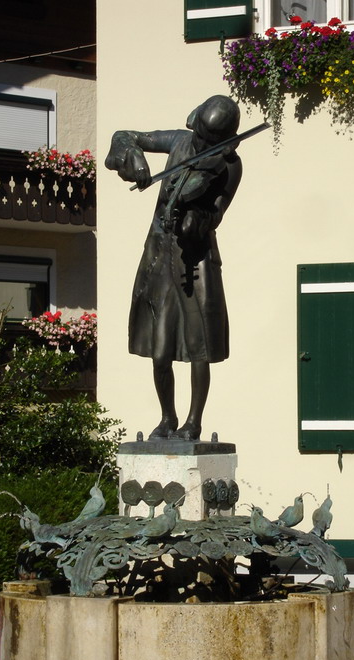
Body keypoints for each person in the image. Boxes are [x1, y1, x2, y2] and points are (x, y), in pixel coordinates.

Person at [105, 95, 242, 441]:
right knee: (160, 345)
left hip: (195, 255)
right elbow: (127, 136)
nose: (201, 145)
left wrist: (199, 218)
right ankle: (168, 417)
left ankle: (194, 421)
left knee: (199, 344)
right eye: (199, 135)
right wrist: (133, 156)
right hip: (161, 249)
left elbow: (218, 212)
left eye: (210, 141)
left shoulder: (229, 165)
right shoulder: (180, 142)